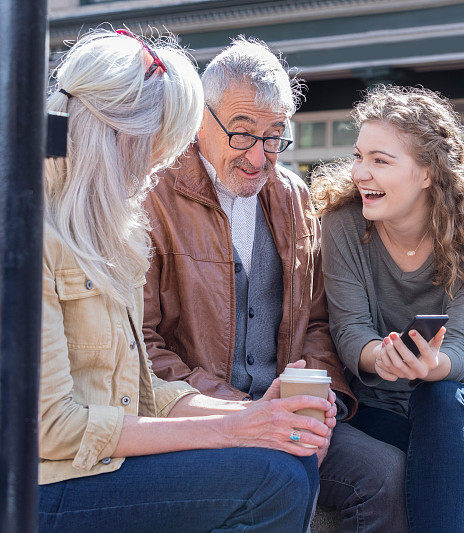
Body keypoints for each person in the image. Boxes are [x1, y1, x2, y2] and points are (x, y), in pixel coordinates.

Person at [38, 29, 329, 533]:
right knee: (275, 477)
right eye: (156, 150)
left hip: (101, 462)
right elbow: (51, 430)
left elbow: (142, 389)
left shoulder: (110, 232)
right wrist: (231, 427)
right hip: (45, 484)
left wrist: (258, 416)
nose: (156, 170)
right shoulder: (31, 232)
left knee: (286, 460)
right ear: (114, 135)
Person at [142, 38, 407, 532]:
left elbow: (319, 321)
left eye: (274, 136)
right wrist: (238, 413)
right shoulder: (154, 196)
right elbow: (143, 346)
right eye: (242, 134)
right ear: (202, 119)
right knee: (280, 473)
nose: (259, 157)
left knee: (385, 475)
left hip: (288, 413)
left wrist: (317, 400)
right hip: (196, 418)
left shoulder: (293, 196)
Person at [311, 85, 464, 532]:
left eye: (380, 161)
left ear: (427, 172)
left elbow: (463, 347)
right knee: (417, 457)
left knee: (438, 397)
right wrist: (378, 357)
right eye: (359, 156)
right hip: (376, 413)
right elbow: (350, 332)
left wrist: (432, 366)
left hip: (457, 413)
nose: (361, 172)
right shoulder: (342, 226)